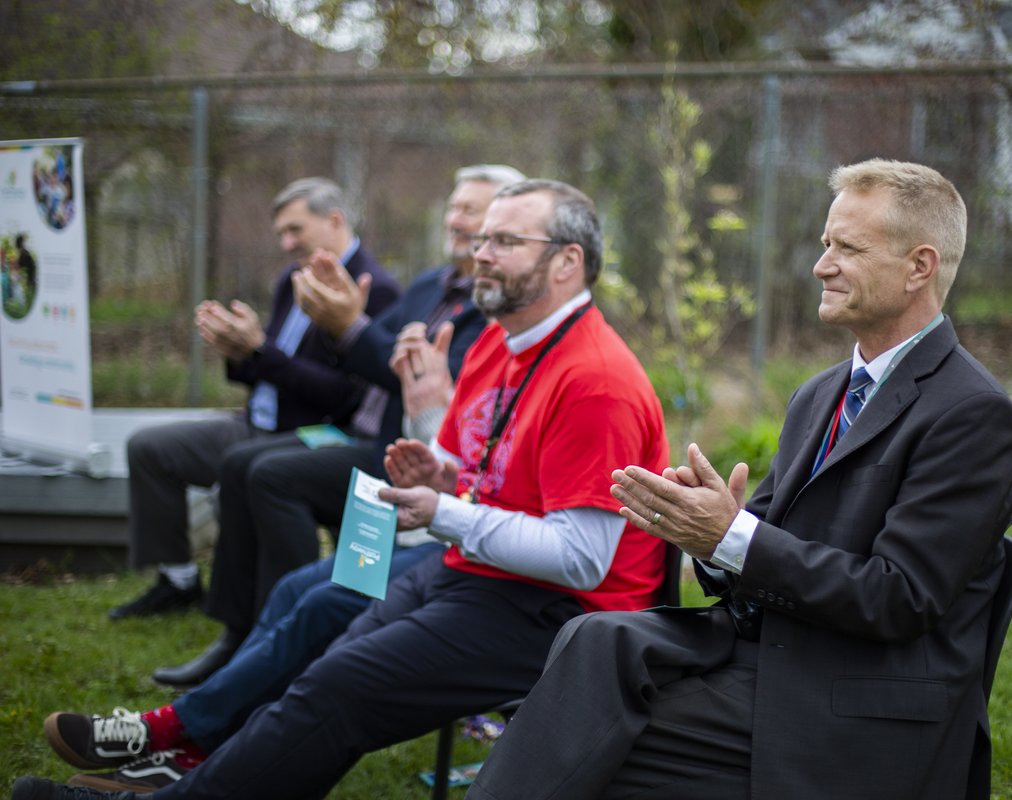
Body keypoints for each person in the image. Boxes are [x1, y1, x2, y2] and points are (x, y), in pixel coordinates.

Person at [14, 178, 671, 800]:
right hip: (476, 563)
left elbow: (582, 558)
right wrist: (439, 471)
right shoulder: (501, 342)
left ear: (567, 263)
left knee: (339, 671)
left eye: (503, 241)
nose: (480, 254)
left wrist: (443, 507)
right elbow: (473, 461)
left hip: (560, 612)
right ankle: (184, 750)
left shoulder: (594, 379)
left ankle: (179, 761)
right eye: (478, 238)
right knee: (317, 624)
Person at [465, 159, 1012, 800]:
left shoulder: (969, 411)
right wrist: (710, 536)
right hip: (777, 652)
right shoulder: (821, 394)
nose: (822, 265)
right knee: (594, 640)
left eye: (848, 248)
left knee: (591, 745)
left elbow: (898, 600)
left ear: (919, 266)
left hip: (860, 698)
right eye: (825, 244)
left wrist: (734, 539)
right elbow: (756, 549)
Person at [149, 165, 522, 690]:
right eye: (453, 205)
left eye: (470, 209)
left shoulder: (494, 309)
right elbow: (359, 361)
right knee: (240, 466)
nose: (454, 217)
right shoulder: (427, 285)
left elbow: (414, 379)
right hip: (372, 442)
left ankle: (274, 641)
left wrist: (347, 324)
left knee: (271, 478)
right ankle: (241, 635)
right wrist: (314, 330)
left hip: (413, 464)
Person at [108, 178, 402, 628]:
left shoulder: (373, 287)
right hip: (259, 417)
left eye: (295, 230)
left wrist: (260, 352)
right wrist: (239, 350)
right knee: (150, 447)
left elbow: (346, 397)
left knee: (259, 469)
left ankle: (276, 620)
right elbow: (271, 361)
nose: (286, 244)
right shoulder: (293, 278)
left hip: (315, 430)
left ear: (335, 220)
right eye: (281, 233)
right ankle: (181, 582)